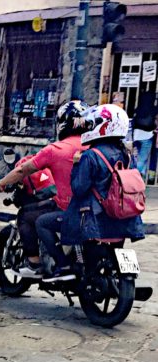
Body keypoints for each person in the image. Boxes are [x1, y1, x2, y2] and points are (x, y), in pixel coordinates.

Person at [0, 99, 86, 279]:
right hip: (96, 210)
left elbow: (23, 170)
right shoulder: (97, 147)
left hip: (70, 209)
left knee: (29, 217)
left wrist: (1, 183)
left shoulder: (56, 149)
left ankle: (40, 263)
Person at [60, 103, 145, 269]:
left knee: (86, 265)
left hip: (97, 219)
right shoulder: (127, 155)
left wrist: (76, 164)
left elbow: (79, 188)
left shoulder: (90, 155)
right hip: (124, 217)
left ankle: (67, 267)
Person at [132, 91, 157, 180]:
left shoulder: (138, 108)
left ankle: (140, 175)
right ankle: (135, 175)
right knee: (143, 158)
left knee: (136, 156)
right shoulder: (153, 109)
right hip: (147, 136)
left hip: (136, 136)